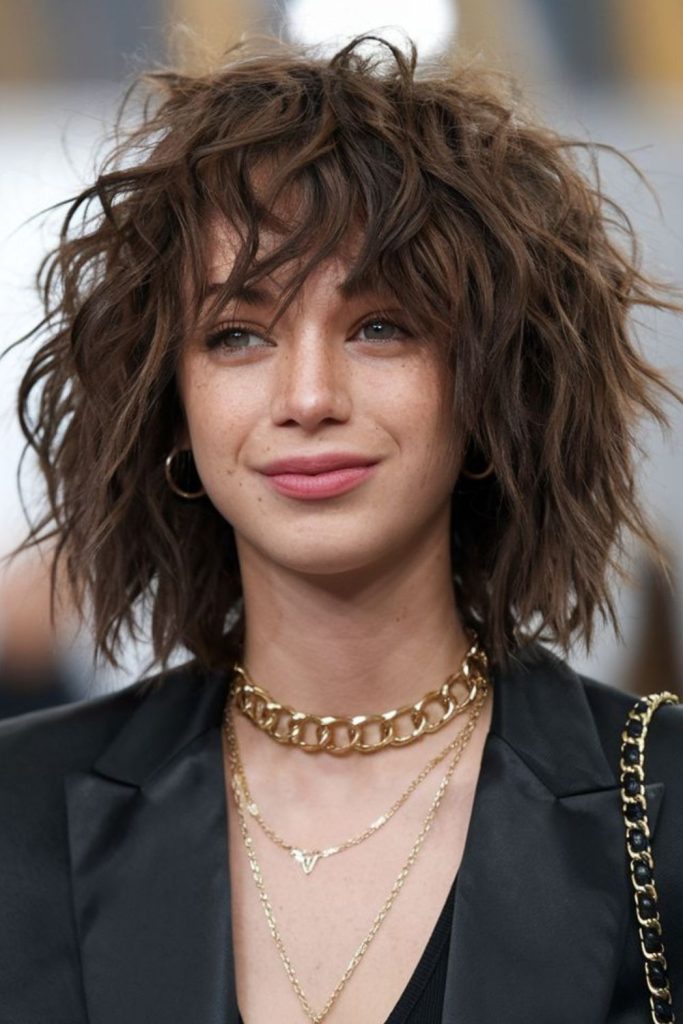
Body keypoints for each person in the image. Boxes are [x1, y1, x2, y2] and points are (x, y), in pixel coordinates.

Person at [0, 33, 681, 1024]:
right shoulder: (19, 811)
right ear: (171, 409)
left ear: (489, 386)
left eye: (381, 325)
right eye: (236, 334)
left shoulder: (658, 811)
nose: (307, 396)